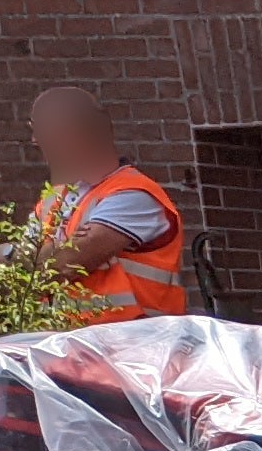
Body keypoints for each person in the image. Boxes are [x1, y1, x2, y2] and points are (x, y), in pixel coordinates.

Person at [21, 86, 188, 318]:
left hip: (135, 346)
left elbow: (62, 267)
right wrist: (15, 255)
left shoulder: (132, 195)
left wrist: (33, 256)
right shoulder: (55, 197)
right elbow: (14, 274)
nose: (35, 140)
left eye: (47, 129)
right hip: (70, 348)